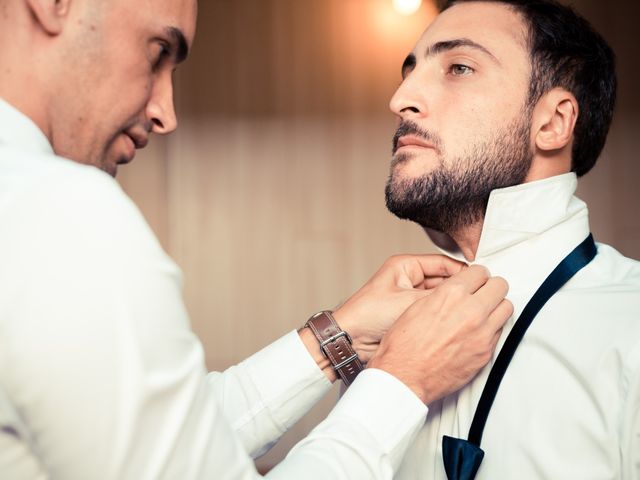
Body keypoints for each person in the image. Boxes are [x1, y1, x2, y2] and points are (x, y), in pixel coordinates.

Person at [0, 0, 514, 478]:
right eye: (158, 53)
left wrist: (333, 338)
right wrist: (404, 382)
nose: (166, 113)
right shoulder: (61, 214)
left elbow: (160, 444)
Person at [384, 0, 640, 478]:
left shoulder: (633, 331)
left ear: (553, 123)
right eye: (410, 70)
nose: (401, 99)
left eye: (458, 67)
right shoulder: (382, 339)